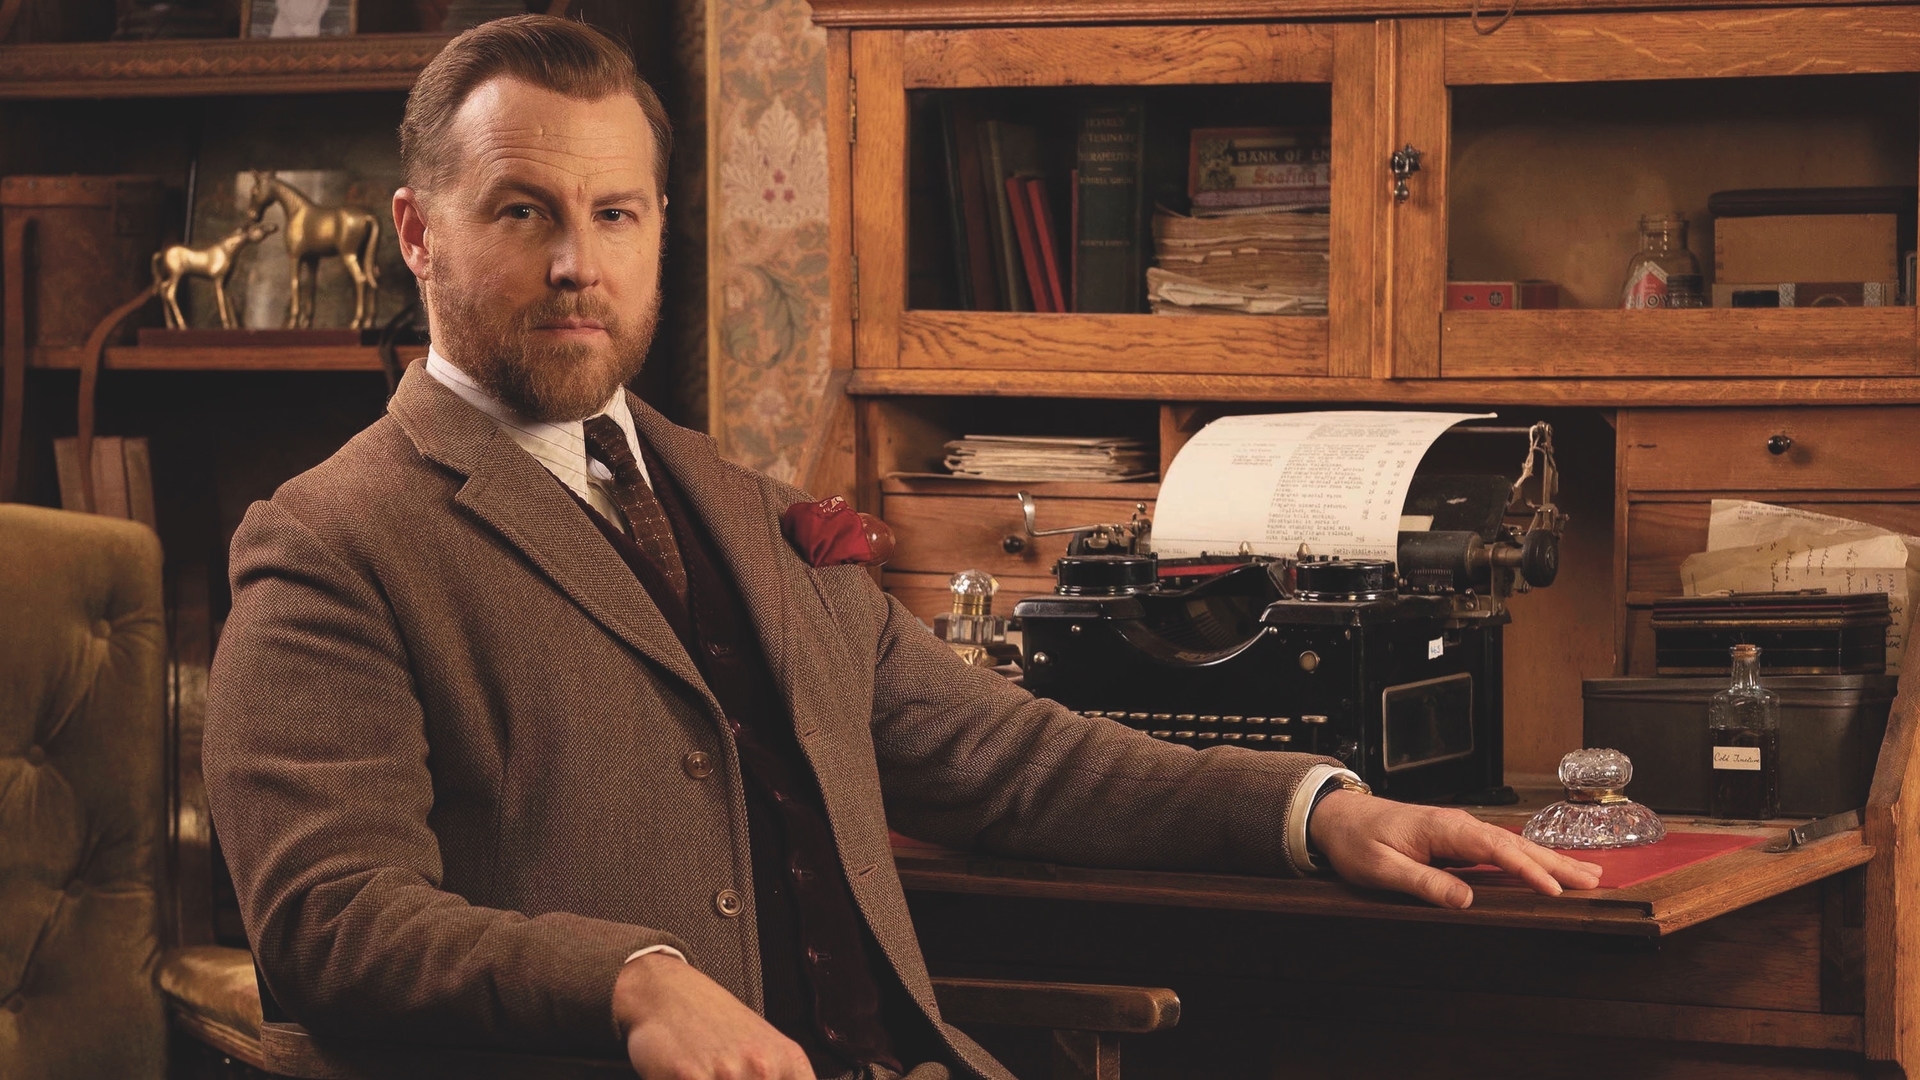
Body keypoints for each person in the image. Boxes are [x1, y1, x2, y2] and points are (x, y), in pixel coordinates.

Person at [201, 15, 1601, 1080]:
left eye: (614, 214)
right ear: (417, 234)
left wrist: (1316, 812)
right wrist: (627, 979)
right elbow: (332, 923)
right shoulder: (331, 543)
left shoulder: (734, 502)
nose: (580, 262)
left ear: (659, 226)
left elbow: (1014, 759)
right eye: (525, 212)